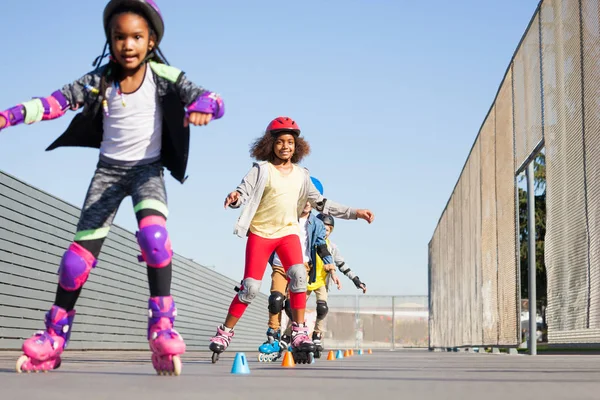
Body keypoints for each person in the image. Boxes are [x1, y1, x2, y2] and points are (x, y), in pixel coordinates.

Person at [0, 0, 224, 375]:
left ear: (151, 41)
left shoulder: (164, 75)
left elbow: (213, 98)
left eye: (137, 36)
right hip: (107, 173)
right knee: (75, 263)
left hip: (147, 172)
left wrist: (203, 107)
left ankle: (162, 326)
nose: (128, 44)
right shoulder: (99, 80)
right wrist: (10, 116)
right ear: (110, 40)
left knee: (155, 239)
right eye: (119, 37)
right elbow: (54, 102)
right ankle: (54, 336)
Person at [208, 116, 374, 364]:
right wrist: (235, 197)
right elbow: (243, 191)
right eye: (280, 142)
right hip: (261, 234)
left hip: (288, 233)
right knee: (251, 288)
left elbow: (322, 203)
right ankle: (225, 332)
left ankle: (299, 331)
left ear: (297, 147)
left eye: (290, 142)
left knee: (298, 274)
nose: (285, 146)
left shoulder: (301, 175)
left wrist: (354, 213)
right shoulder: (261, 170)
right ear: (270, 144)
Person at [257, 187, 334, 363]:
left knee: (293, 306)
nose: (306, 204)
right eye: (302, 198)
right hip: (280, 264)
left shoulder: (318, 224)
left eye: (310, 200)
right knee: (276, 299)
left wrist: (328, 260)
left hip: (302, 266)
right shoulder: (285, 216)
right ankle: (273, 335)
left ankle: (297, 335)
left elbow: (321, 245)